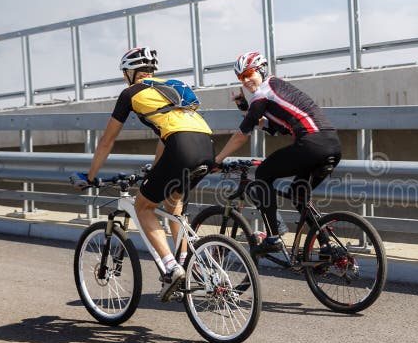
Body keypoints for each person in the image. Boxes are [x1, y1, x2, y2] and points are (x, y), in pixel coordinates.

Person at [72, 47, 215, 301]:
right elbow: (167, 133)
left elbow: (107, 140)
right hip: (207, 145)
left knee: (143, 206)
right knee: (174, 203)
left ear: (130, 72)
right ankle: (187, 262)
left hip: (181, 147)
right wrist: (155, 167)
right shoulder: (171, 87)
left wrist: (91, 176)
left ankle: (172, 268)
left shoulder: (130, 93)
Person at [215, 51, 342, 255]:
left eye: (249, 73)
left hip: (311, 144)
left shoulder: (263, 92)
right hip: (332, 145)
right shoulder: (276, 88)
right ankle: (327, 246)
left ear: (262, 69)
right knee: (299, 196)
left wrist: (218, 159)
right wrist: (244, 107)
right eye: (241, 77)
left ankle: (273, 237)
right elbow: (277, 128)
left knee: (263, 174)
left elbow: (241, 135)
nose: (246, 80)